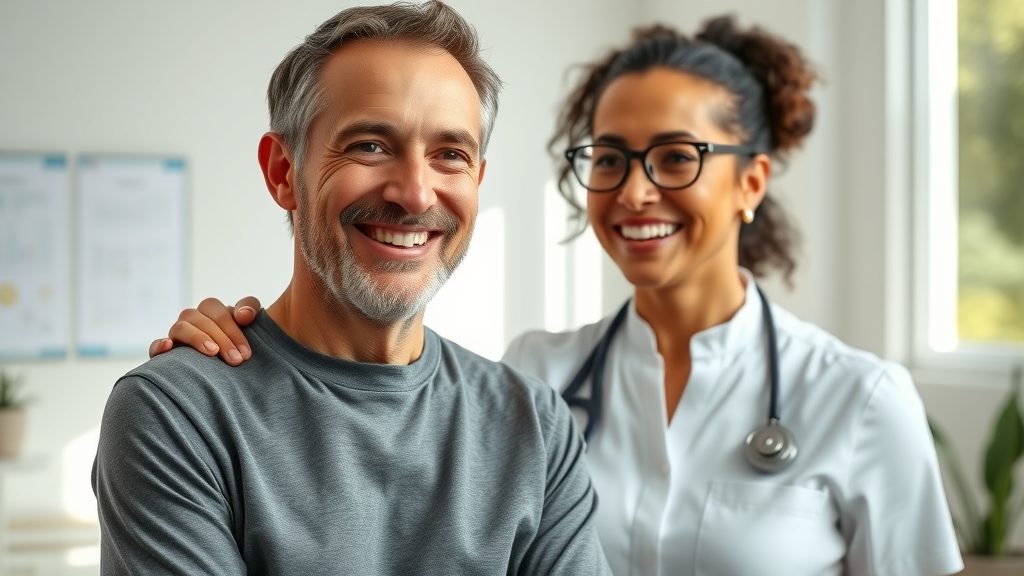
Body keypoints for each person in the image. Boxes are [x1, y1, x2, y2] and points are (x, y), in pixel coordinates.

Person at [153, 15, 964, 576]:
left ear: (752, 181)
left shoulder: (859, 399)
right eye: (608, 160)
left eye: (675, 157)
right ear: (282, 171)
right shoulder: (540, 377)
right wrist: (231, 370)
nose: (636, 193)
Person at [91, 3, 613, 575]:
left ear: (477, 182)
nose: (416, 194)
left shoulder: (536, 427)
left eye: (450, 155)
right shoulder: (177, 414)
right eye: (370, 145)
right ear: (283, 173)